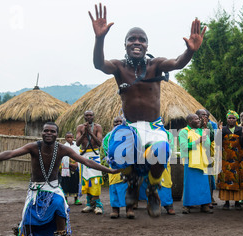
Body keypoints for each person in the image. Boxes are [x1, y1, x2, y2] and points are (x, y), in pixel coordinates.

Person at [88, 3, 206, 217]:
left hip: (154, 126)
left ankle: (152, 188)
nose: (137, 42)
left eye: (141, 40)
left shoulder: (156, 65)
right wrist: (99, 38)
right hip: (130, 126)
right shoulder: (119, 67)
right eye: (132, 39)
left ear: (147, 44)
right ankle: (132, 182)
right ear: (125, 44)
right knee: (118, 148)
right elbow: (98, 64)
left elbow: (178, 63)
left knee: (161, 150)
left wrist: (190, 50)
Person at [0, 122, 119, 236]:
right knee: (28, 217)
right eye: (46, 130)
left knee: (59, 205)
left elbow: (86, 161)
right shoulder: (34, 147)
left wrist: (110, 171)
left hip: (53, 188)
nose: (49, 133)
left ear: (57, 135)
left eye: (52, 131)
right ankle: (22, 233)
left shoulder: (62, 149)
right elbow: (10, 154)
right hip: (35, 190)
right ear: (41, 133)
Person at [179, 114, 212, 214]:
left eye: (198, 119)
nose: (199, 120)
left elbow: (207, 145)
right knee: (190, 184)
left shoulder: (201, 131)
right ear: (190, 121)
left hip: (202, 160)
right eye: (196, 119)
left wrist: (205, 136)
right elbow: (184, 146)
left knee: (204, 184)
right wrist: (198, 141)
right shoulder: (184, 131)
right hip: (190, 161)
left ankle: (205, 205)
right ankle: (187, 206)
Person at [216, 110, 243, 210]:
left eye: (233, 118)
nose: (231, 120)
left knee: (237, 179)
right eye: (229, 118)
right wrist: (219, 131)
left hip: (239, 158)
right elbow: (218, 143)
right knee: (226, 178)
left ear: (236, 119)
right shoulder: (223, 129)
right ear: (227, 119)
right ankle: (226, 202)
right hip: (226, 159)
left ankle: (237, 202)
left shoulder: (240, 129)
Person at [76, 110, 104, 215]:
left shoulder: (98, 127)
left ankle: (97, 205)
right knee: (85, 180)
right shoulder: (80, 127)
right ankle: (89, 204)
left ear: (93, 116)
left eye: (90, 115)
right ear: (84, 116)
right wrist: (84, 133)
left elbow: (99, 143)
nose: (89, 117)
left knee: (95, 180)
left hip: (94, 155)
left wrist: (90, 133)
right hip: (83, 156)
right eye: (86, 115)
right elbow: (78, 143)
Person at [102, 116, 130, 219]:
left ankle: (129, 209)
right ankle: (115, 209)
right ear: (113, 124)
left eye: (120, 121)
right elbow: (106, 148)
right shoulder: (109, 136)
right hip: (113, 164)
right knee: (114, 187)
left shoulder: (130, 134)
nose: (118, 123)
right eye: (116, 122)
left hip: (127, 165)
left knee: (128, 186)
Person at [59, 132, 82, 206]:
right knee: (65, 183)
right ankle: (65, 199)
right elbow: (62, 158)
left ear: (73, 138)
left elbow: (79, 155)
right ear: (65, 138)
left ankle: (76, 199)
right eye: (68, 137)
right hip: (66, 168)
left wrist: (76, 164)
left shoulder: (77, 146)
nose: (69, 139)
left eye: (71, 137)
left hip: (76, 168)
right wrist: (70, 164)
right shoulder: (63, 147)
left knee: (75, 183)